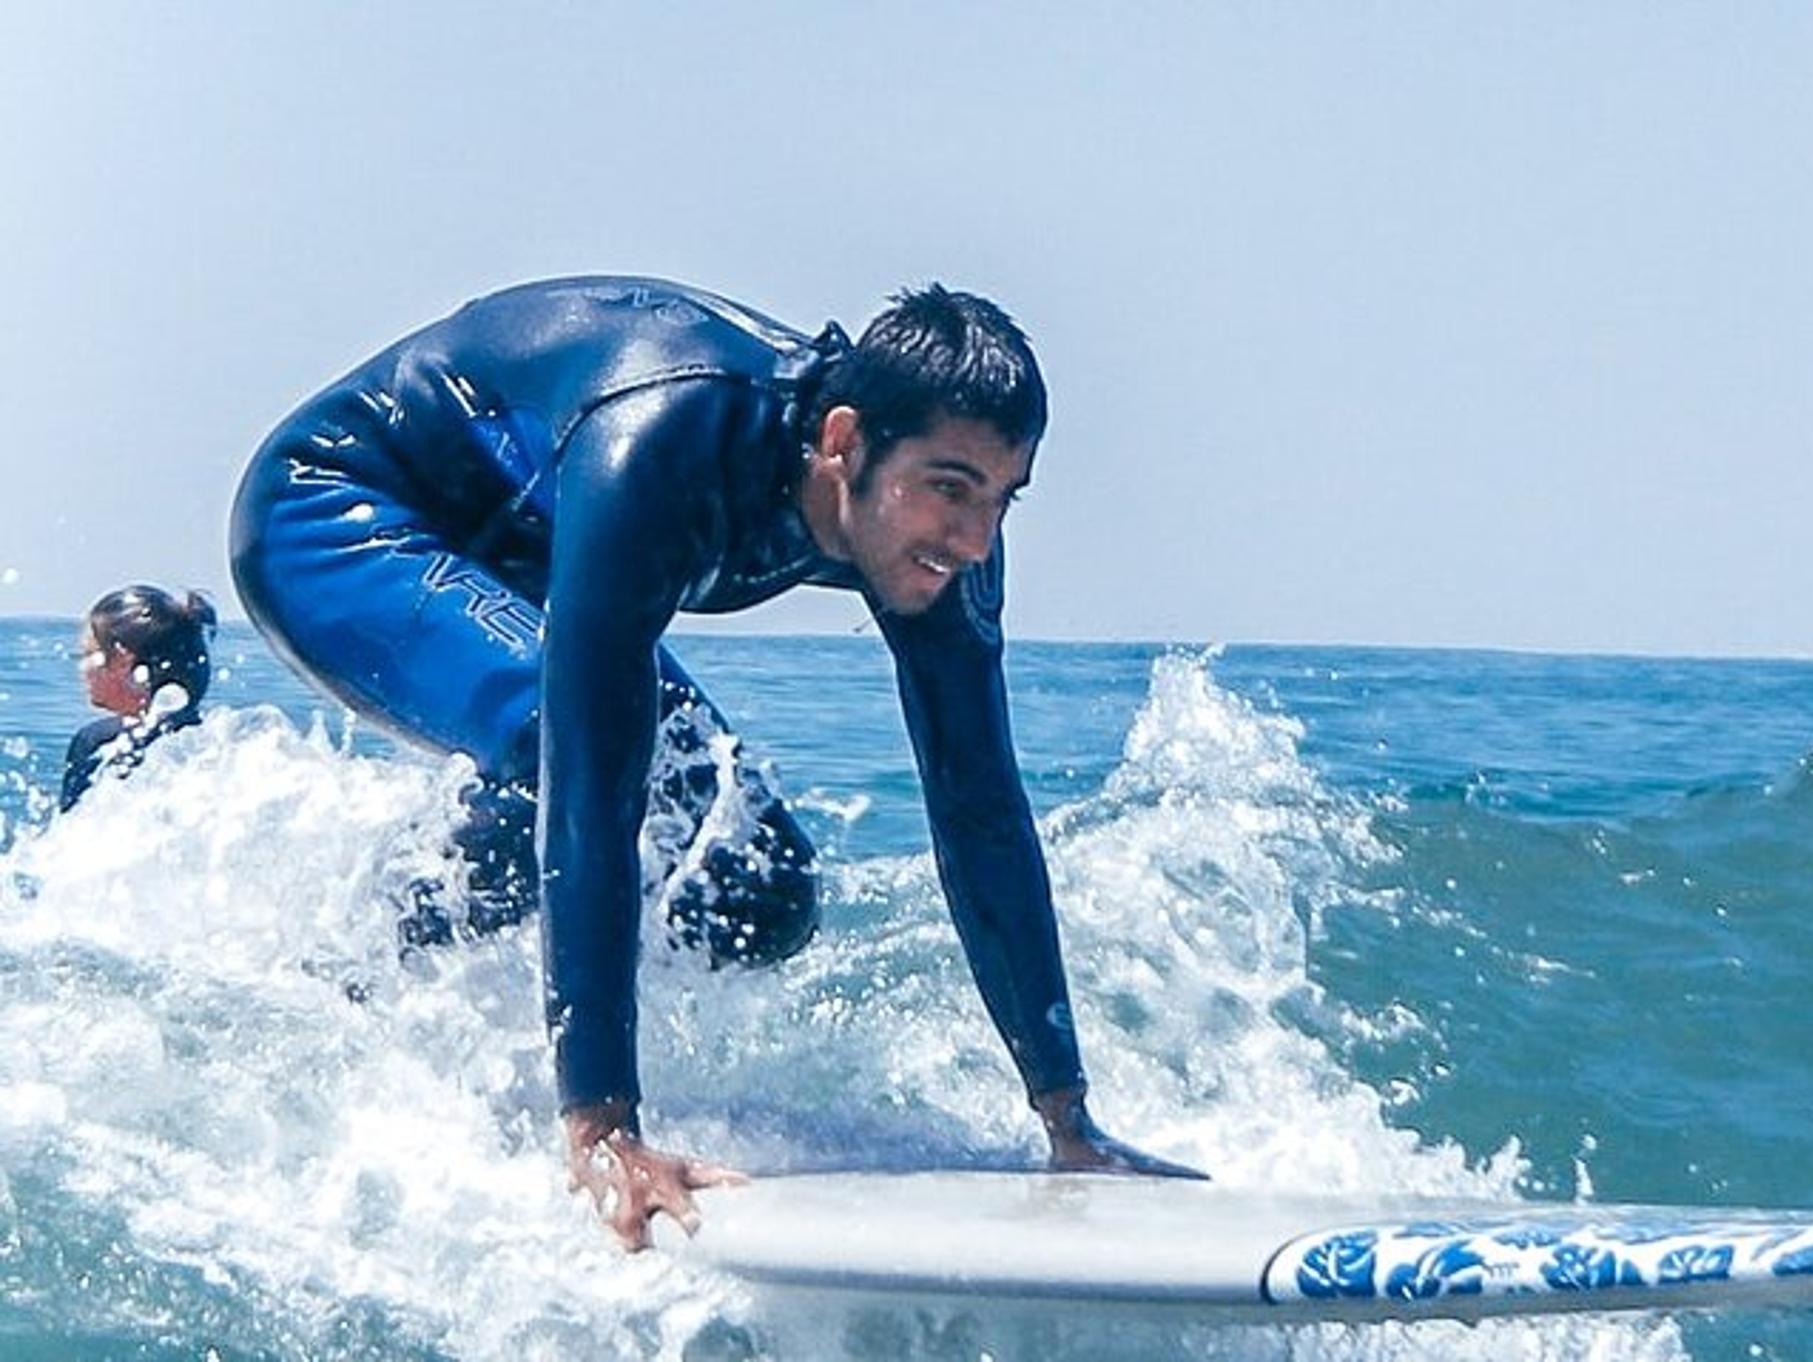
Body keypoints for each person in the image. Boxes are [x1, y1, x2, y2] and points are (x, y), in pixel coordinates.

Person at [229, 275, 1200, 1248]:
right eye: (948, 488)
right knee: (561, 749)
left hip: (538, 536)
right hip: (341, 510)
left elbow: (978, 803)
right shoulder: (663, 444)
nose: (974, 538)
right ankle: (357, 998)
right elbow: (594, 786)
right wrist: (607, 1129)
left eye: (1001, 497)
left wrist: (1064, 1120)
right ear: (842, 443)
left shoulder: (942, 543)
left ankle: (457, 1009)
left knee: (760, 884)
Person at [61, 585, 217, 811]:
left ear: (123, 660)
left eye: (88, 654)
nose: (82, 667)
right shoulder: (215, 742)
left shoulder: (98, 743)